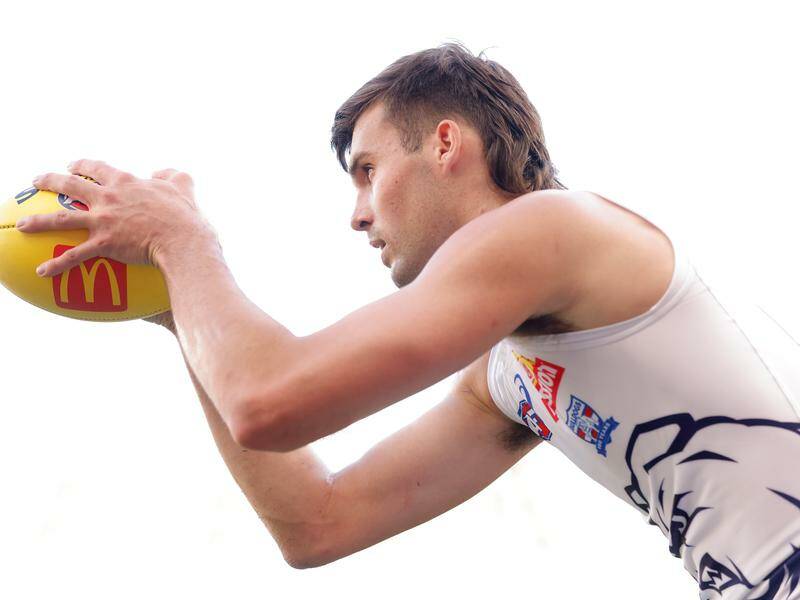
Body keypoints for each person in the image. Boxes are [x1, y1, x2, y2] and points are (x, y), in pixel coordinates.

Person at [20, 43, 800, 599]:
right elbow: (319, 525)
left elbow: (271, 400)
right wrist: (172, 306)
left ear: (447, 144)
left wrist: (181, 240)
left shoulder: (554, 228)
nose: (358, 216)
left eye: (367, 172)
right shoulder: (509, 373)